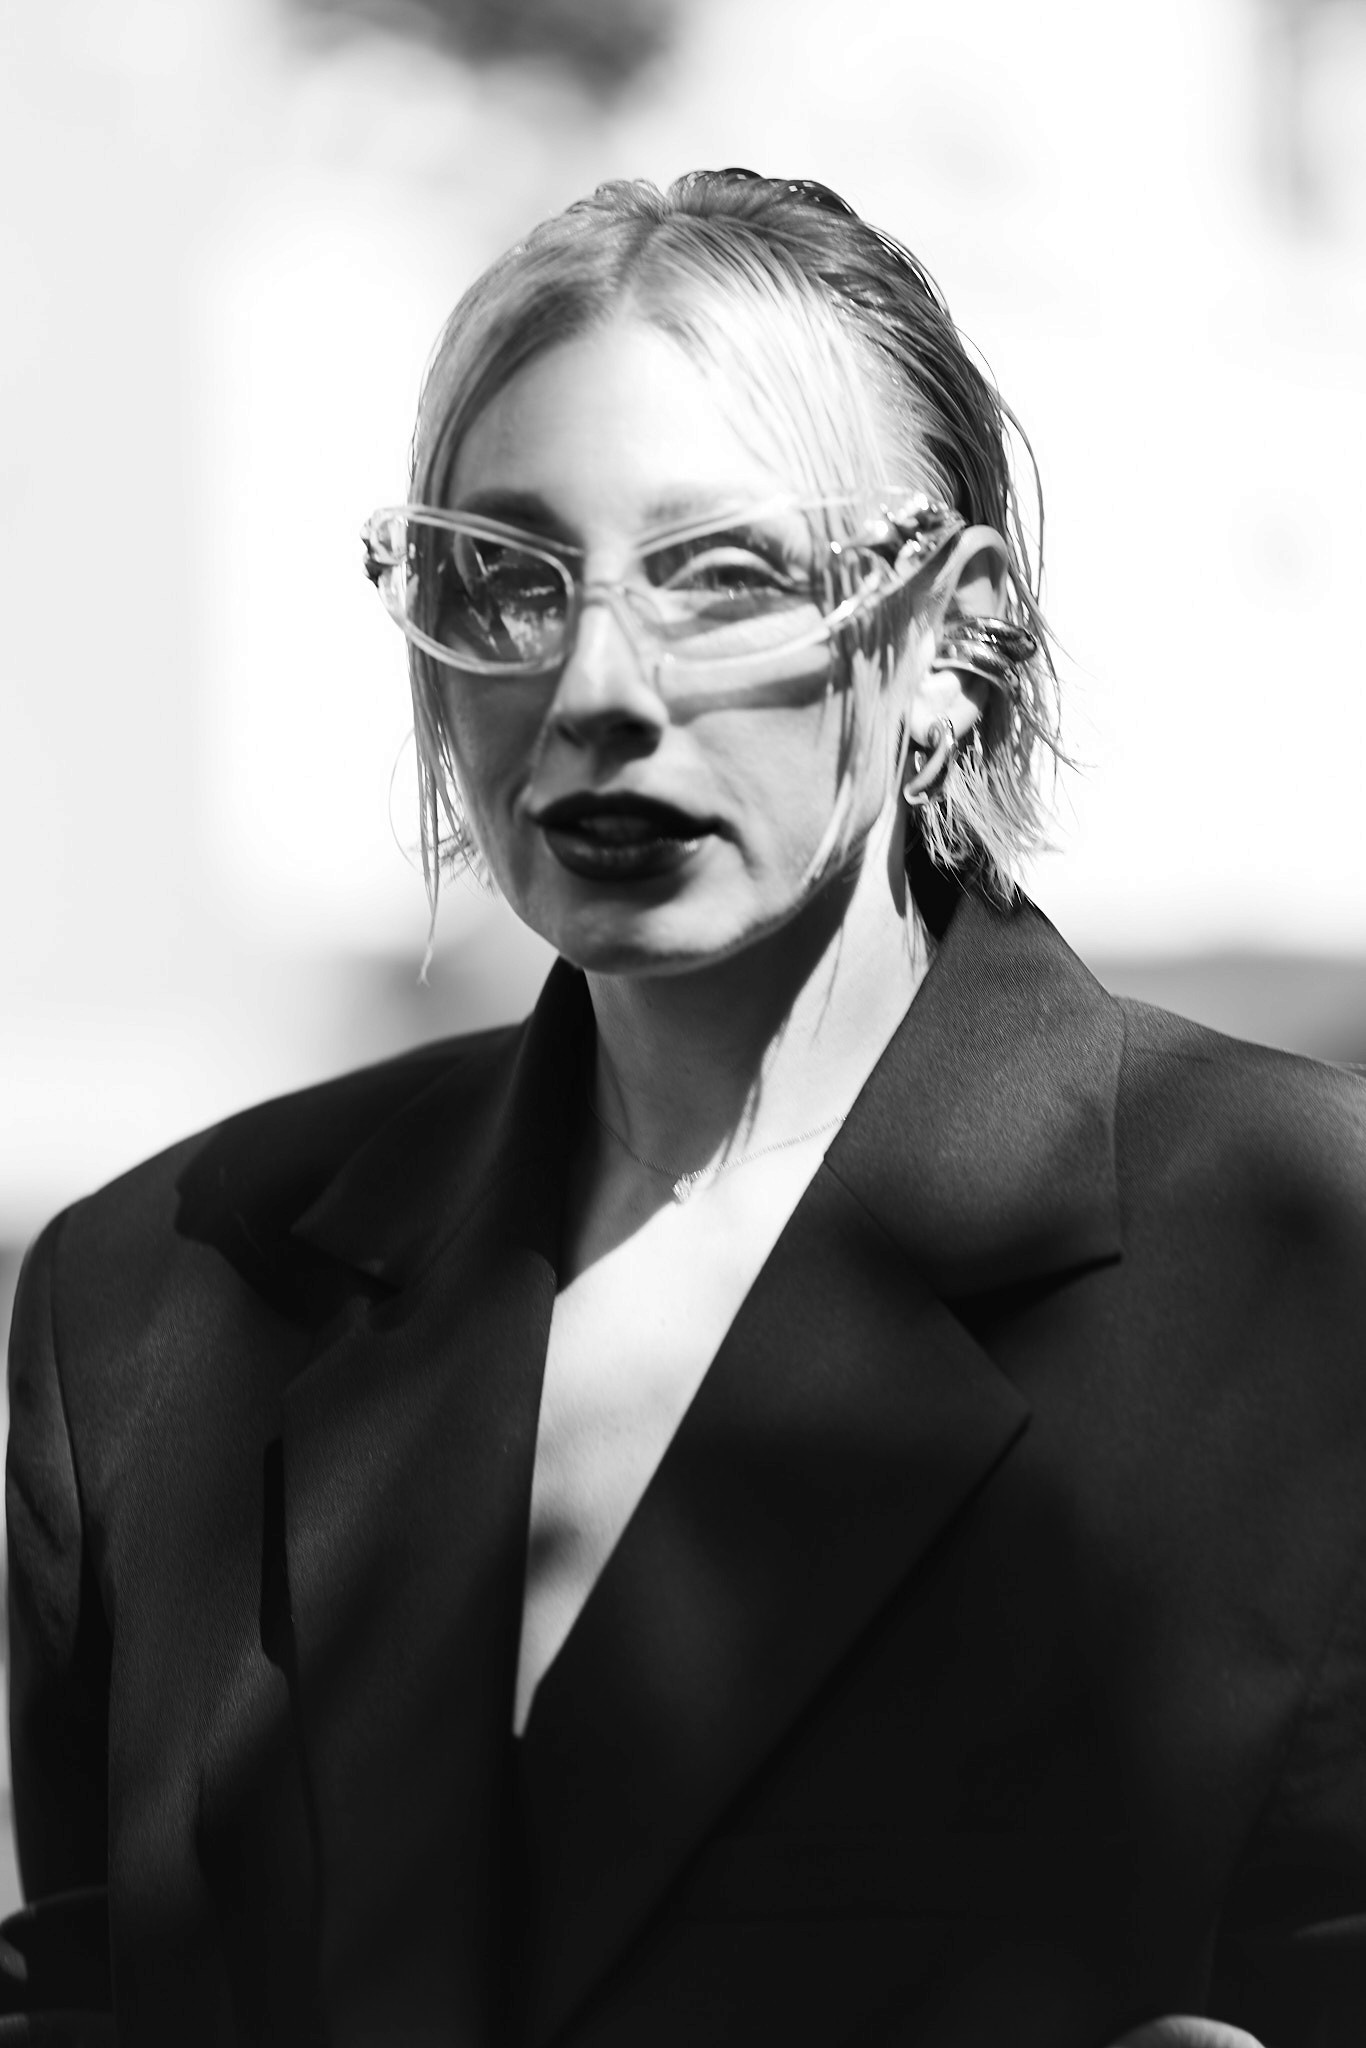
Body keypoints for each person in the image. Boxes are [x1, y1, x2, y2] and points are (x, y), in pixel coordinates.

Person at [5, 168, 1365, 2048]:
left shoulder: (1303, 1272)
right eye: (503, 578)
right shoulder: (154, 1308)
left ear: (950, 639)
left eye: (722, 574)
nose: (595, 687)